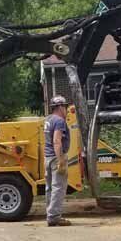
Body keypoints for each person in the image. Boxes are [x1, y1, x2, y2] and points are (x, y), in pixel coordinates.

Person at [44, 95, 71, 226]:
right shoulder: (59, 121)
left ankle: (50, 214)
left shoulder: (48, 119)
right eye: (65, 107)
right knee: (58, 187)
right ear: (60, 107)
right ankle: (54, 216)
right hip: (56, 158)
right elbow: (56, 141)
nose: (66, 109)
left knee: (50, 188)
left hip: (47, 157)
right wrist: (61, 160)